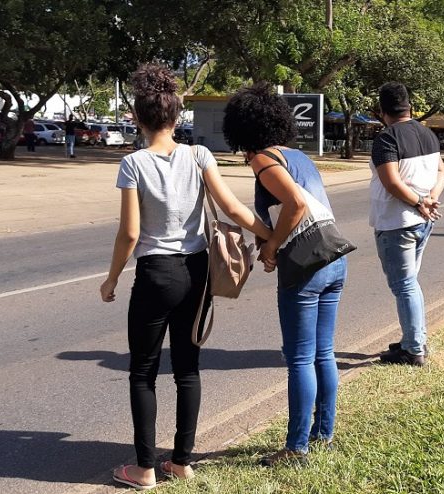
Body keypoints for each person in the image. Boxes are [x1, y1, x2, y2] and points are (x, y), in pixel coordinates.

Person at [100, 64, 272, 490]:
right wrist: (271, 238)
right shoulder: (199, 155)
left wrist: (111, 279)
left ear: (138, 119)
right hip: (197, 273)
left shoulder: (133, 164)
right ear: (177, 118)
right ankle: (181, 461)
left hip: (155, 274)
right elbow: (233, 209)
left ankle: (143, 469)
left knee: (142, 372)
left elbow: (131, 233)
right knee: (187, 369)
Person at [222, 82, 349, 467]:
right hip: (334, 258)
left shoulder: (263, 160)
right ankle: (323, 434)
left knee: (299, 358)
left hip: (305, 266)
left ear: (242, 128)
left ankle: (297, 448)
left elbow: (293, 204)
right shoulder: (299, 155)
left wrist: (273, 246)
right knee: (323, 353)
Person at [370, 82, 444, 367]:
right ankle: (412, 339)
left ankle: (413, 349)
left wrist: (418, 202)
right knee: (409, 283)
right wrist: (431, 198)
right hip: (423, 219)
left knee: (404, 285)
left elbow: (391, 182)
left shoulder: (386, 139)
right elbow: (440, 171)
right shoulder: (427, 134)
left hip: (397, 222)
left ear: (382, 110)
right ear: (409, 106)